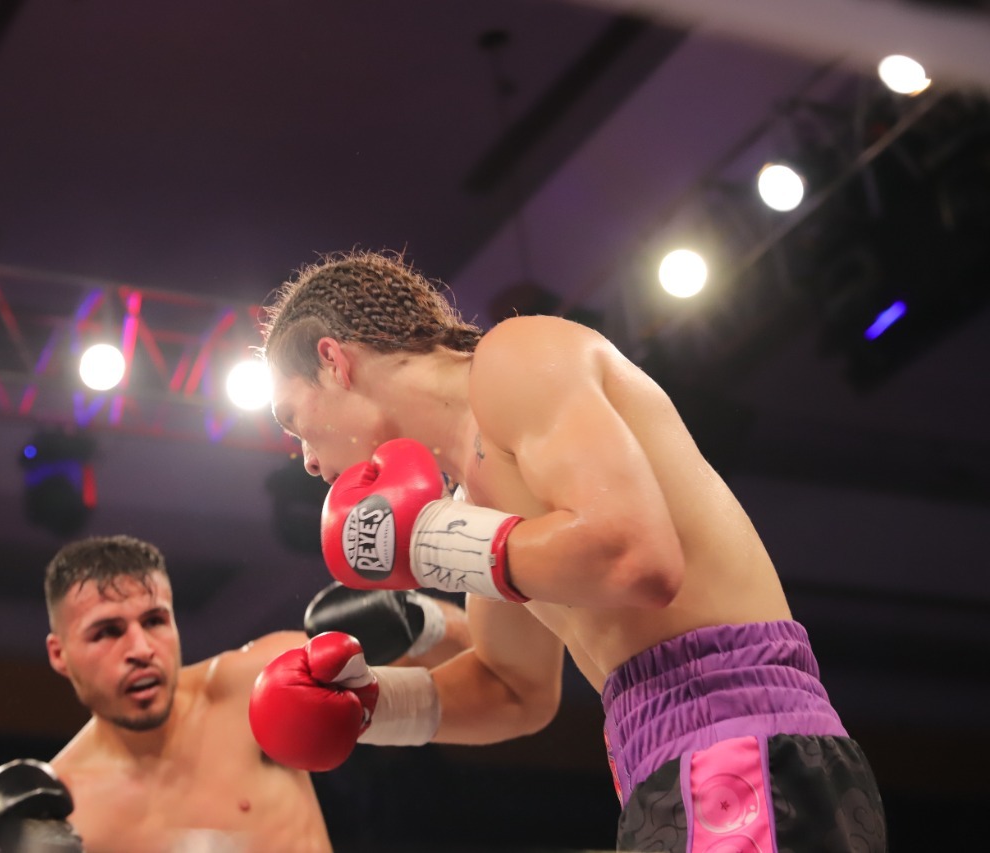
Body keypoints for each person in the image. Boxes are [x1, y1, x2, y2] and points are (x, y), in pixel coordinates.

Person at [249, 250, 887, 852]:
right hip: (660, 763)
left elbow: (635, 557)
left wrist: (432, 543)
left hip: (740, 729)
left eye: (291, 418)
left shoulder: (518, 357)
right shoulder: (471, 505)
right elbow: (514, 688)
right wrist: (368, 708)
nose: (306, 460)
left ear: (333, 361)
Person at [0, 534, 467, 853]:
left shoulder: (251, 686)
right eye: (107, 632)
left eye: (155, 621)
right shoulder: (66, 806)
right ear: (59, 654)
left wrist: (419, 619)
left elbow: (476, 664)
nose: (141, 649)